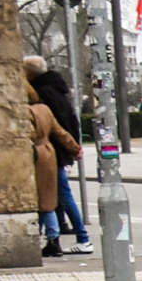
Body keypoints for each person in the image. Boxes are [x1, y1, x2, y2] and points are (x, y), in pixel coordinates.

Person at [25, 56, 91, 252]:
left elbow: (58, 127)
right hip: (53, 152)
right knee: (51, 197)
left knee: (55, 197)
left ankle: (80, 237)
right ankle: (57, 235)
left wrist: (71, 150)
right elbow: (63, 126)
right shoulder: (55, 93)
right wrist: (74, 147)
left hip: (45, 155)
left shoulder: (44, 95)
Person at [27, 79, 75, 259]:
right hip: (49, 152)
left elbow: (27, 133)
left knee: (40, 200)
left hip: (36, 154)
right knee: (48, 197)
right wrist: (74, 148)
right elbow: (59, 131)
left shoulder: (27, 111)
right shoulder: (44, 109)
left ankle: (50, 238)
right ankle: (52, 238)